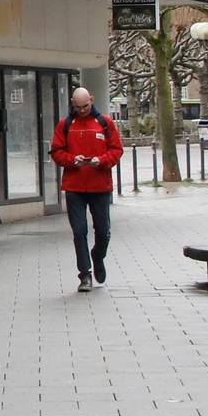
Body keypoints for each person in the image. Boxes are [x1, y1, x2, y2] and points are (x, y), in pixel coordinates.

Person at [49, 86, 124, 292]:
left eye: (86, 106)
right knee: (79, 231)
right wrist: (73, 160)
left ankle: (98, 256)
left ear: (91, 100)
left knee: (103, 231)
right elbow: (56, 152)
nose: (82, 110)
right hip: (75, 186)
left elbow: (117, 150)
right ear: (73, 104)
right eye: (78, 107)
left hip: (100, 185)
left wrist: (101, 160)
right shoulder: (65, 125)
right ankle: (85, 274)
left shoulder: (105, 123)